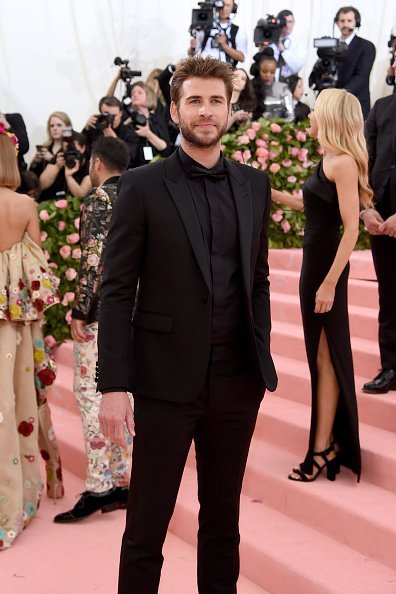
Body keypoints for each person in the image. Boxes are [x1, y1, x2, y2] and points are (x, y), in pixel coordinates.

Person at [97, 55, 277, 594]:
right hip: (163, 384)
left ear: (230, 109)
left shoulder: (254, 185)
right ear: (174, 111)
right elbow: (116, 289)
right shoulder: (142, 185)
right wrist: (113, 383)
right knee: (146, 527)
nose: (206, 111)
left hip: (235, 383)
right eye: (194, 101)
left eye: (216, 101)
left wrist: (259, 354)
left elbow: (259, 280)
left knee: (223, 526)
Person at [272, 88, 372, 482]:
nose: (308, 115)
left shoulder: (343, 163)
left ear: (329, 116)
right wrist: (272, 193)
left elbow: (351, 229)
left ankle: (322, 448)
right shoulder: (328, 159)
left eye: (314, 110)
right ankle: (326, 444)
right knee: (321, 358)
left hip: (327, 269)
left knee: (327, 359)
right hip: (314, 268)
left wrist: (330, 283)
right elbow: (309, 206)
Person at [54, 137, 131, 523]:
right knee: (124, 394)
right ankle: (121, 481)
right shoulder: (138, 194)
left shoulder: (101, 199)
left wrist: (81, 310)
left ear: (97, 163)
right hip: (136, 313)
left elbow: (93, 261)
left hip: (104, 314)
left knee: (90, 395)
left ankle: (100, 485)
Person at [0, 126, 63, 550]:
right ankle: (18, 492)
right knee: (17, 399)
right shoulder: (24, 204)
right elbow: (37, 270)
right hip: (14, 326)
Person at [360, 93, 396, 394]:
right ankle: (391, 367)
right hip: (380, 214)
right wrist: (365, 206)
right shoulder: (382, 107)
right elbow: (364, 157)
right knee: (389, 292)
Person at [333, 6, 376, 119]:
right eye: (342, 21)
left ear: (356, 23)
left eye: (349, 21)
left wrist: (339, 94)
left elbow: (361, 76)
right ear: (337, 23)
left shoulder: (366, 47)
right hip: (331, 106)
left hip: (355, 105)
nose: (345, 24)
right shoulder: (330, 47)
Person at [123, 81, 172, 168]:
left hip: (159, 167)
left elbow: (166, 149)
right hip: (137, 170)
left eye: (139, 92)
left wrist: (148, 134)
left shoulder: (157, 119)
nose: (135, 95)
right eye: (133, 93)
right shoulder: (129, 123)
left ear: (148, 96)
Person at [82, 96, 139, 167]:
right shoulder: (94, 127)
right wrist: (86, 128)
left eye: (114, 116)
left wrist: (116, 141)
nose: (111, 119)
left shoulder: (129, 133)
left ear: (120, 113)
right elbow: (82, 149)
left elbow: (130, 160)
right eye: (107, 115)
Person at [188, 0, 247, 66]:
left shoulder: (239, 31)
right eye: (221, 5)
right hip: (205, 67)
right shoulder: (205, 27)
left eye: (228, 5)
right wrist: (192, 48)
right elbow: (192, 54)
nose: (224, 8)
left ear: (233, 8)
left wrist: (224, 46)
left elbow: (242, 58)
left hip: (226, 69)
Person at [37, 130, 92, 201]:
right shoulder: (60, 158)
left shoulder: (88, 166)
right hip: (53, 201)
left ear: (83, 148)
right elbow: (41, 185)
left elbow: (81, 195)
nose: (70, 151)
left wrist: (68, 177)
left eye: (73, 148)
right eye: (66, 148)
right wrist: (57, 166)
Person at [29, 111, 72, 186]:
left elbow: (74, 171)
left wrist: (52, 159)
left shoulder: (72, 147)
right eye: (52, 126)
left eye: (59, 125)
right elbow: (33, 179)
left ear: (67, 127)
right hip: (45, 193)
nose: (55, 128)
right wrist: (34, 163)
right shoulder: (45, 147)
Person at [250, 48, 294, 121]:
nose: (268, 75)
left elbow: (290, 115)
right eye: (264, 71)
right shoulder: (250, 87)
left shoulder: (283, 88)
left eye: (272, 72)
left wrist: (278, 127)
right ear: (258, 70)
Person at [269, 9, 307, 82]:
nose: (287, 25)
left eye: (290, 22)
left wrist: (282, 49)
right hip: (269, 83)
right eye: (284, 22)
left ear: (294, 23)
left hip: (289, 84)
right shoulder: (269, 40)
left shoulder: (298, 43)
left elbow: (297, 66)